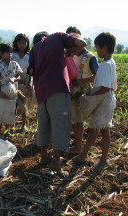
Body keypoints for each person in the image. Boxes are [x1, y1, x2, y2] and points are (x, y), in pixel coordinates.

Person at [28, 32, 86, 175]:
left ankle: (43, 156)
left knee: (44, 123)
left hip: (41, 91)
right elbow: (82, 43)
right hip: (58, 88)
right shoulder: (58, 37)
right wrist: (71, 50)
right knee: (60, 124)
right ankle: (56, 162)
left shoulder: (34, 50)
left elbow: (31, 71)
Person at [73, 32, 117, 171]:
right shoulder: (110, 62)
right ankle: (84, 154)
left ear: (105, 47)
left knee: (104, 130)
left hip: (103, 100)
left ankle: (103, 160)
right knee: (95, 129)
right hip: (104, 99)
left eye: (98, 48)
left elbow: (105, 88)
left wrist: (90, 97)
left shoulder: (105, 65)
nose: (97, 51)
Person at [66, 26, 99, 154]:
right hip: (71, 90)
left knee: (78, 121)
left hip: (82, 92)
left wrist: (83, 81)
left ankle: (78, 147)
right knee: (74, 120)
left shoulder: (90, 57)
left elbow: (97, 75)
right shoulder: (70, 56)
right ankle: (77, 142)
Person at [0, 43, 22, 135]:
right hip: (1, 90)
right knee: (0, 110)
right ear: (1, 53)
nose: (10, 54)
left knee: (10, 110)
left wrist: (14, 79)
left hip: (12, 91)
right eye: (7, 52)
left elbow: (19, 76)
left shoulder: (14, 64)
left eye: (11, 52)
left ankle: (7, 131)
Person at [12, 33, 35, 132]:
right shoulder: (13, 55)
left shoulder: (29, 56)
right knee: (14, 104)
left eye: (24, 43)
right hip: (14, 79)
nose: (22, 45)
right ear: (16, 43)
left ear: (27, 44)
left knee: (24, 104)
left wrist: (30, 82)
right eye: (20, 43)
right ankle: (12, 125)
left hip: (26, 80)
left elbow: (31, 71)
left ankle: (23, 126)